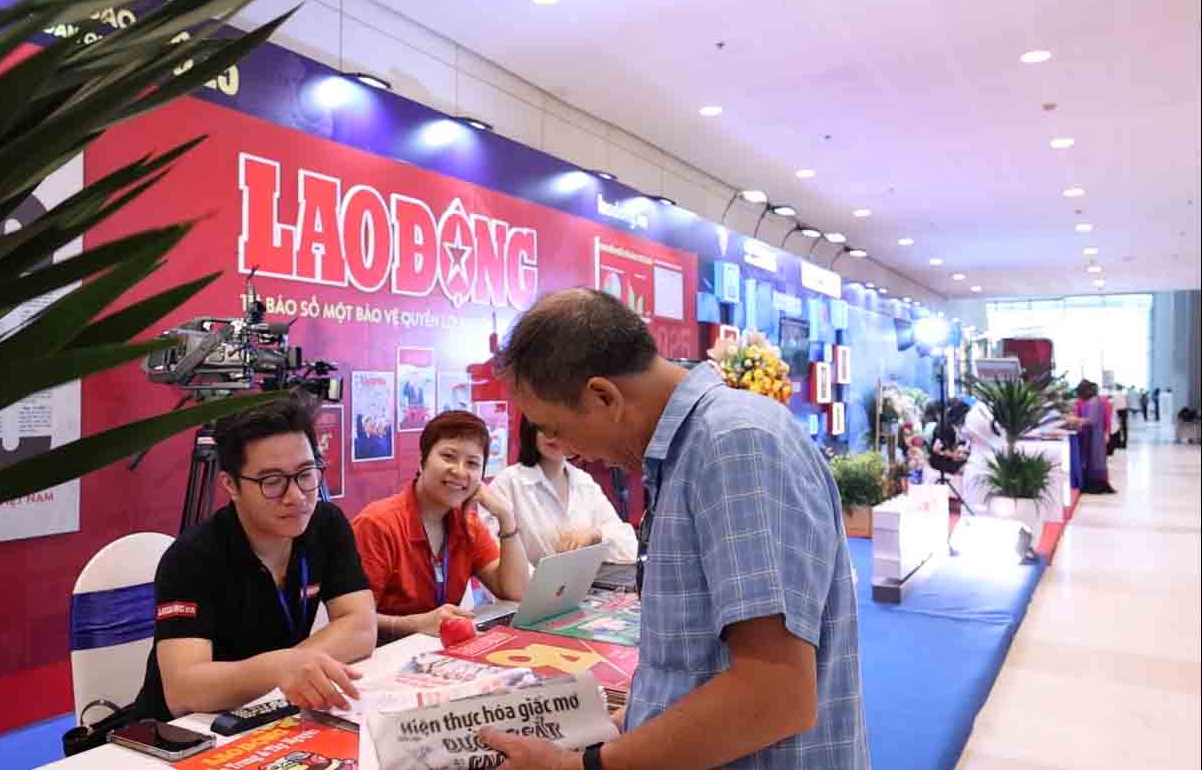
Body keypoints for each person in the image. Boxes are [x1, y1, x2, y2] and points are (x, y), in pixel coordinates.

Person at [479, 288, 867, 770]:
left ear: (604, 396)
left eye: (555, 426)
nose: (565, 448)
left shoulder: (734, 445)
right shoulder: (691, 451)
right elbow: (699, 663)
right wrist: (629, 726)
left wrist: (579, 767)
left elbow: (774, 692)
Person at [133, 394, 377, 722]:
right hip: (188, 730)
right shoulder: (192, 556)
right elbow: (183, 691)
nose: (296, 497)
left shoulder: (327, 524)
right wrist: (283, 668)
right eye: (272, 482)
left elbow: (361, 628)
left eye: (306, 474)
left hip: (272, 710)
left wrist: (292, 665)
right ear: (231, 485)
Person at [351, 410, 530, 640]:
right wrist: (416, 623)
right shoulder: (377, 524)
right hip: (381, 658)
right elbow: (353, 620)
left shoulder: (468, 525)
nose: (459, 471)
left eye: (473, 463)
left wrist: (506, 517)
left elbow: (516, 593)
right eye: (448, 456)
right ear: (421, 461)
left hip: (443, 654)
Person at [478, 415, 639, 567]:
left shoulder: (584, 482)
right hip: (526, 594)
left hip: (582, 592)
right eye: (545, 426)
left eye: (562, 426)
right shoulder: (507, 483)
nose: (552, 436)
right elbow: (491, 558)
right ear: (531, 429)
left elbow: (629, 548)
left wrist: (596, 536)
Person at [1074, 380, 1116, 493]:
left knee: (1095, 460)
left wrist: (1077, 420)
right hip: (1093, 434)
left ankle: (1096, 485)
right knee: (1095, 459)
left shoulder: (1093, 402)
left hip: (1094, 436)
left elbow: (1091, 420)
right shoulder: (1095, 401)